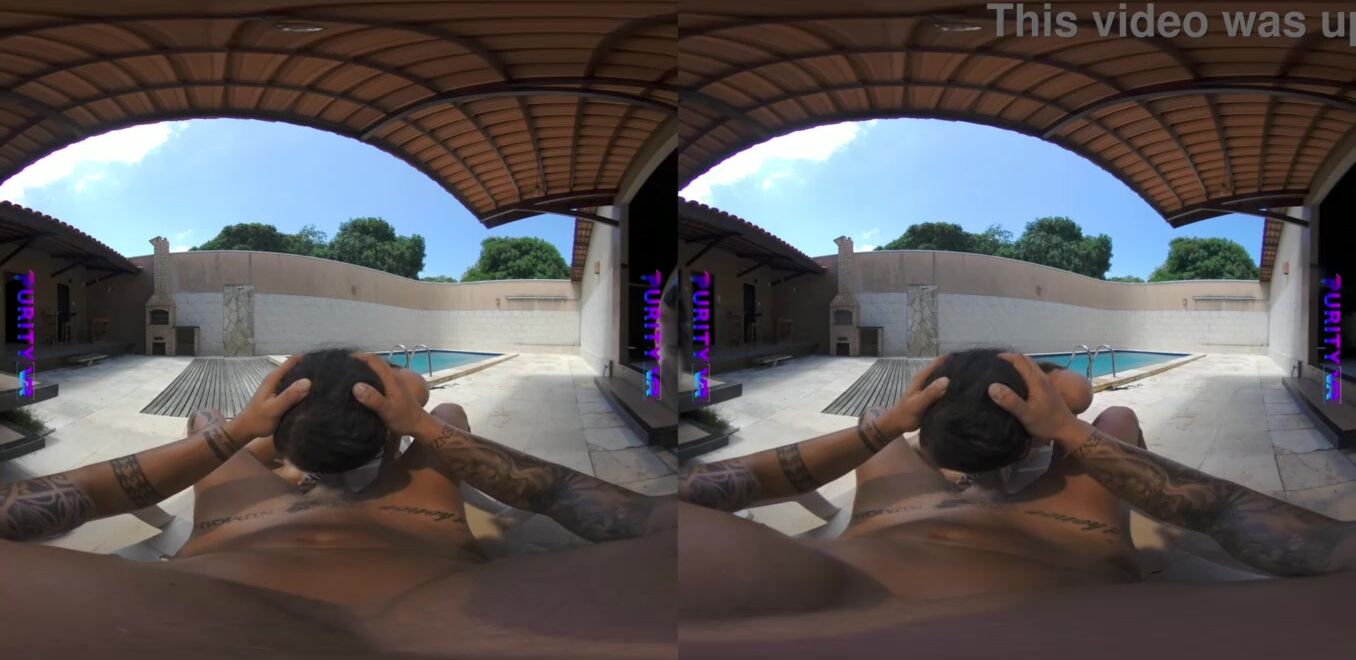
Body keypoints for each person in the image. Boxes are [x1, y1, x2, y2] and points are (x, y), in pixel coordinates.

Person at [0, 349, 676, 659]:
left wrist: (238, 434)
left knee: (205, 420)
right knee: (450, 412)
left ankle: (284, 443)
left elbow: (76, 496)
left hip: (234, 541)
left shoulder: (225, 483)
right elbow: (580, 499)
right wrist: (422, 425)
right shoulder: (431, 482)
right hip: (415, 542)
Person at [678, 349, 1356, 657]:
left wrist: (883, 428)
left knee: (872, 439)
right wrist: (1065, 430)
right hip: (1059, 541)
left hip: (888, 537)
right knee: (1115, 422)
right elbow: (1233, 516)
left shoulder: (753, 597)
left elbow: (713, 485)